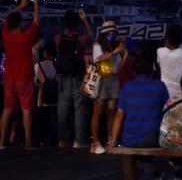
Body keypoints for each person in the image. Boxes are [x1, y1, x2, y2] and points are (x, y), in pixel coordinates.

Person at [0, 0, 39, 149]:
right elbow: (36, 22)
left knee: (7, 110)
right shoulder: (25, 37)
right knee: (26, 110)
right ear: (21, 23)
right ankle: (28, 142)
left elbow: (6, 21)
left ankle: (2, 141)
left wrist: (20, 6)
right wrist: (35, 4)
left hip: (10, 78)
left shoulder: (6, 36)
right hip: (25, 78)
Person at [55, 9, 93, 148]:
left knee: (63, 110)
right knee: (80, 109)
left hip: (63, 78)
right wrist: (85, 20)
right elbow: (90, 35)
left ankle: (63, 140)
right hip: (77, 76)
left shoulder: (58, 38)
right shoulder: (80, 39)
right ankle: (79, 140)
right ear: (77, 23)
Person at [111, 58, 169, 148]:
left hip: (129, 139)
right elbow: (167, 110)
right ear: (152, 71)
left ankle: (144, 161)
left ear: (134, 72)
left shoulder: (127, 87)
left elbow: (119, 115)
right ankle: (147, 161)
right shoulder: (159, 85)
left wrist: (113, 141)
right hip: (153, 138)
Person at [89, 21, 126, 154]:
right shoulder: (97, 45)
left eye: (114, 32)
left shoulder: (114, 46)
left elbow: (119, 66)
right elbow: (99, 60)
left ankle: (111, 140)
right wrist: (115, 51)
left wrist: (124, 52)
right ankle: (95, 143)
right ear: (105, 33)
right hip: (101, 79)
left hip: (113, 79)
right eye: (110, 33)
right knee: (97, 113)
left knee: (111, 111)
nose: (112, 35)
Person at [156, 25, 182, 98]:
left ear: (167, 38)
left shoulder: (160, 51)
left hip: (164, 94)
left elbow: (158, 64)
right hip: (180, 95)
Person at [33, 42, 57, 146]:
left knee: (42, 121)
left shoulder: (38, 64)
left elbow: (36, 81)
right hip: (55, 97)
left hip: (42, 98)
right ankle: (52, 139)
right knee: (53, 119)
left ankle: (41, 139)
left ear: (44, 53)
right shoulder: (56, 64)